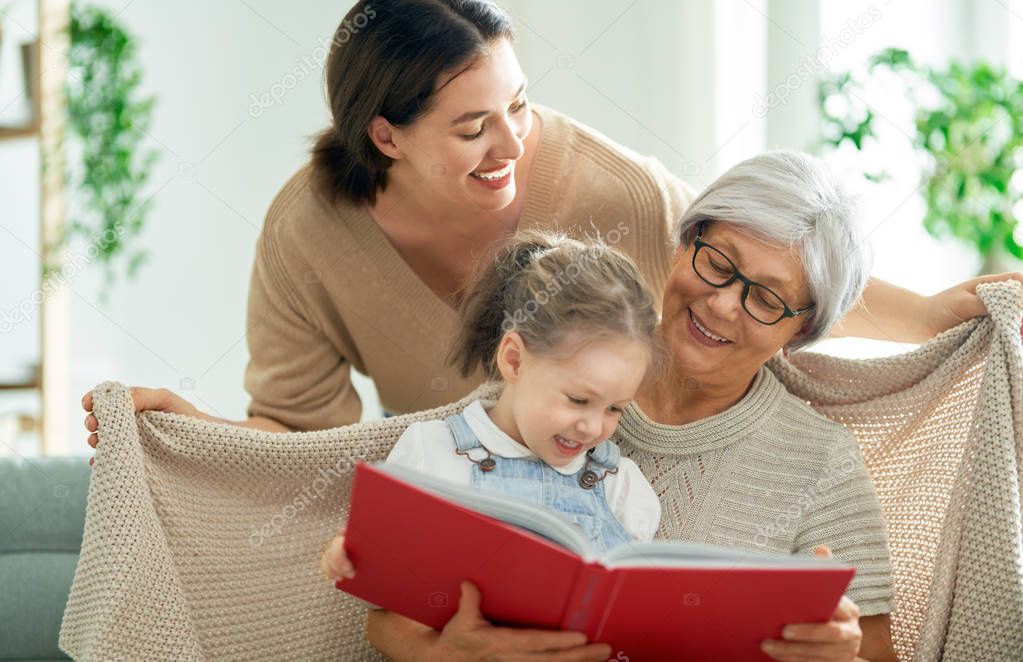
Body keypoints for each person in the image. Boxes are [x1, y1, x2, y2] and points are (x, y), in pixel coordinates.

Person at [83, 0, 1023, 441]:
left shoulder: (609, 191)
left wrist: (932, 318)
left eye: (519, 106)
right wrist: (193, 431)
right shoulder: (309, 235)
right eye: (469, 127)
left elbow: (747, 275)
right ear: (387, 135)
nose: (509, 143)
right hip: (465, 496)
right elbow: (301, 440)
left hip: (626, 483)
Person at [321, 231, 664, 588]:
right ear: (514, 360)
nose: (593, 428)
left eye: (614, 409)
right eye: (578, 400)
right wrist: (350, 556)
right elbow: (382, 584)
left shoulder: (620, 486)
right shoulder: (432, 453)